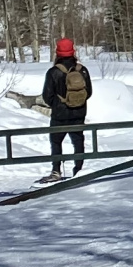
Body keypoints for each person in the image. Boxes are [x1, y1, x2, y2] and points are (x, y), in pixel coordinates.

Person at [43, 38, 93, 176]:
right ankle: (79, 169)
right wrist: (77, 103)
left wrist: (58, 104)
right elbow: (88, 92)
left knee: (56, 141)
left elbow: (47, 96)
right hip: (79, 113)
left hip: (59, 115)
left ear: (57, 52)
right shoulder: (82, 70)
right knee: (78, 141)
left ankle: (56, 170)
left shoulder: (53, 72)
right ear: (73, 51)